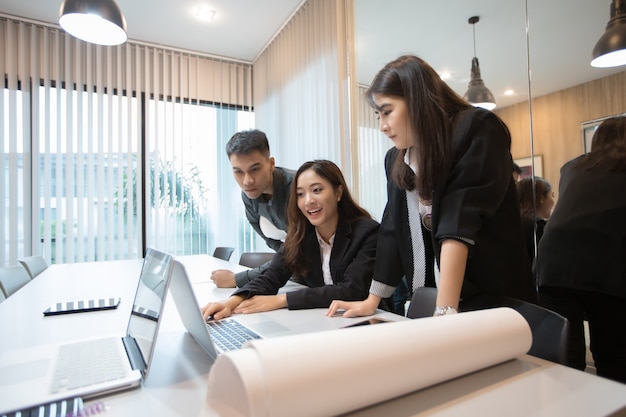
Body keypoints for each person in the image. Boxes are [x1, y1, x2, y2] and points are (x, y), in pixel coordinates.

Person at [326, 54, 535, 319]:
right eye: (378, 115)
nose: (382, 126)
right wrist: (372, 300)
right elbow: (392, 229)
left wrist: (444, 311)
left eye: (387, 112)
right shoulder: (397, 157)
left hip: (491, 295)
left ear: (416, 100)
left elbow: (459, 221)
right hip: (434, 298)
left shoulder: (476, 128)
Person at [201, 160, 379, 319]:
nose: (308, 201)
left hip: (368, 323)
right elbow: (272, 275)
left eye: (317, 190)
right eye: (300, 194)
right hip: (325, 320)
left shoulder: (367, 231)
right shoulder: (302, 235)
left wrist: (281, 300)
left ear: (338, 192)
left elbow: (351, 290)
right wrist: (230, 302)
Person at [536, 116, 626, 383]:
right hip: (607, 270)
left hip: (553, 266)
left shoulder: (572, 167)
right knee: (613, 357)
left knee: (565, 356)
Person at [210, 129, 295, 288]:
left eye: (255, 169)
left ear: (271, 164)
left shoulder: (298, 189)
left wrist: (237, 279)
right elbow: (275, 243)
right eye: (238, 172)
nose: (247, 181)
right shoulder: (248, 197)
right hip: (295, 278)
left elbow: (297, 251)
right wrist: (285, 262)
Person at [516, 176, 555, 263]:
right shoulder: (538, 226)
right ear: (541, 198)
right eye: (552, 195)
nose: (553, 201)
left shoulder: (514, 223)